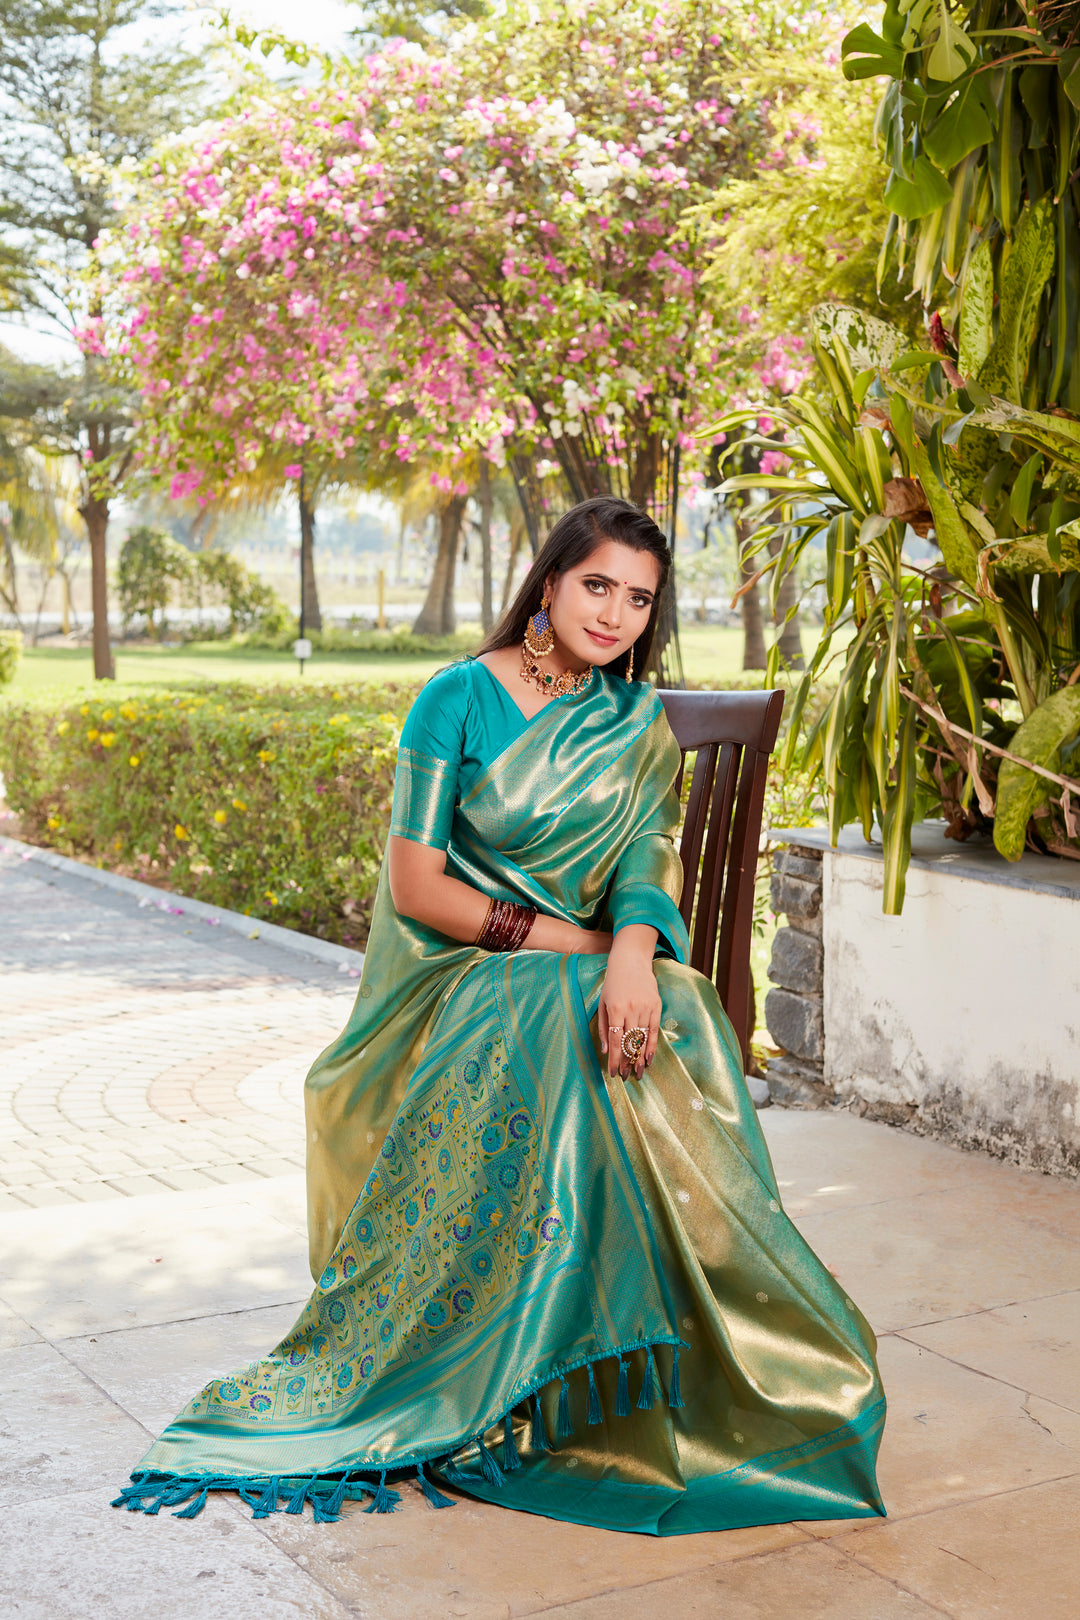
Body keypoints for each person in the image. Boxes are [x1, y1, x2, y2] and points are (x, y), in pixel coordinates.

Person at [114, 496, 885, 1534]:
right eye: (597, 584)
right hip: (458, 972)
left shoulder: (634, 724)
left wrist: (628, 960)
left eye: (639, 598)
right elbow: (419, 890)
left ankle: (656, 1356)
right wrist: (575, 946)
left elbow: (648, 870)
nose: (614, 614)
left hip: (591, 965)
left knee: (681, 1009)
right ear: (552, 581)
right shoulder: (457, 700)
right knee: (565, 1022)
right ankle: (527, 1367)